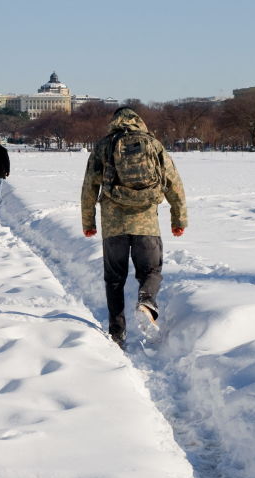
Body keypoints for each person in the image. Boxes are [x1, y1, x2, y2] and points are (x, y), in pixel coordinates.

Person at [81, 107, 187, 347]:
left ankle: (117, 333)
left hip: (113, 225)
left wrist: (89, 222)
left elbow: (89, 187)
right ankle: (147, 299)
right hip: (146, 222)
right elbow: (174, 184)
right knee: (151, 271)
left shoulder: (103, 146)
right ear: (139, 121)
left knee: (115, 280)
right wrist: (178, 220)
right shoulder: (153, 144)